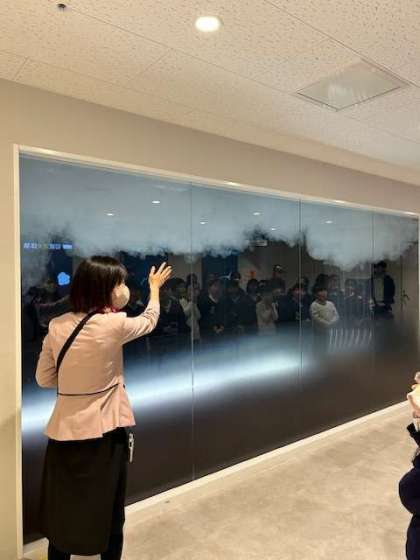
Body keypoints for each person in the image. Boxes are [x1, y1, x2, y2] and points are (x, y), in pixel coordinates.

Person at [36, 256, 171, 560]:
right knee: (109, 511)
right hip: (105, 432)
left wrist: (75, 382)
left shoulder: (57, 325)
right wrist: (154, 289)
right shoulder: (114, 324)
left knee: (63, 508)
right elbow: (149, 320)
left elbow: (44, 379)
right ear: (105, 288)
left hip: (63, 432)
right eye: (119, 283)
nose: (123, 289)